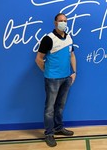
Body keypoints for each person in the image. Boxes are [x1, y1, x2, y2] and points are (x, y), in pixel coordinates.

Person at [35, 13, 77, 147]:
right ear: (55, 23)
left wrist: (74, 72)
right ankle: (49, 133)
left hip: (66, 78)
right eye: (60, 21)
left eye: (65, 21)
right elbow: (39, 59)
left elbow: (72, 55)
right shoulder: (48, 39)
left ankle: (58, 128)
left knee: (60, 106)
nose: (63, 23)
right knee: (49, 108)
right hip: (52, 79)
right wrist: (47, 72)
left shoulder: (69, 37)